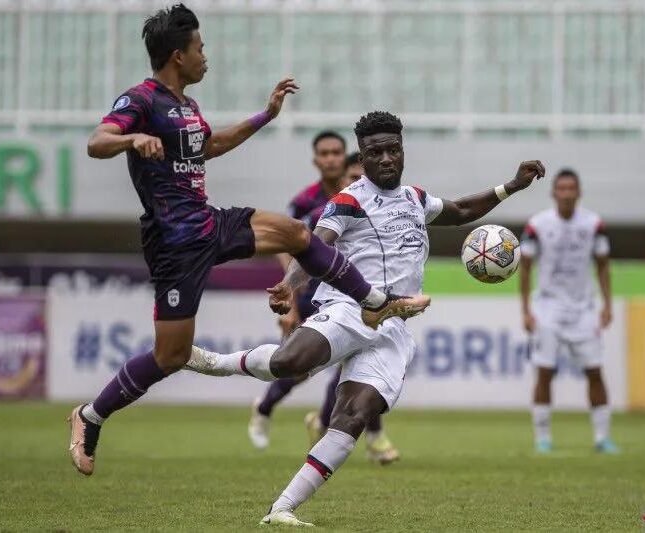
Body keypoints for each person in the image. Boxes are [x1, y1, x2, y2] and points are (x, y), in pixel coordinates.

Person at [66, 5, 428, 477]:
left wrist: (265, 114)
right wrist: (132, 140)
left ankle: (374, 301)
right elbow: (97, 141)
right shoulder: (141, 99)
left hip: (208, 222)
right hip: (174, 244)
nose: (205, 56)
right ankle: (90, 415)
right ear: (178, 55)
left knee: (298, 232)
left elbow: (210, 146)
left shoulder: (188, 108)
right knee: (170, 356)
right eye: (200, 47)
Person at [185, 111, 544, 526]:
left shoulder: (415, 198)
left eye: (394, 149)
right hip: (350, 308)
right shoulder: (348, 201)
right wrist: (290, 283)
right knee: (289, 363)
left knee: (352, 418)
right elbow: (316, 247)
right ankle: (215, 363)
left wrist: (512, 186)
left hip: (393, 329)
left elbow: (461, 209)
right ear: (364, 157)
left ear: (403, 150)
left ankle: (282, 509)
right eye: (376, 152)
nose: (387, 158)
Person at [248, 140, 399, 464]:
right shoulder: (316, 207)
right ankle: (265, 407)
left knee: (357, 364)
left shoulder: (380, 207)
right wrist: (290, 297)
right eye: (353, 176)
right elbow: (285, 240)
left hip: (353, 296)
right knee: (299, 368)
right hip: (312, 295)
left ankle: (373, 438)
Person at [520, 168, 619, 455]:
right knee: (545, 372)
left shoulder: (593, 224)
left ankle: (602, 438)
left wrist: (607, 305)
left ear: (578, 192)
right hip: (548, 308)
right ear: (553, 193)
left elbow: (602, 265)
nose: (566, 193)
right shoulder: (538, 225)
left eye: (570, 188)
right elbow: (525, 269)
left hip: (584, 309)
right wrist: (526, 310)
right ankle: (543, 439)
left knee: (595, 372)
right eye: (561, 189)